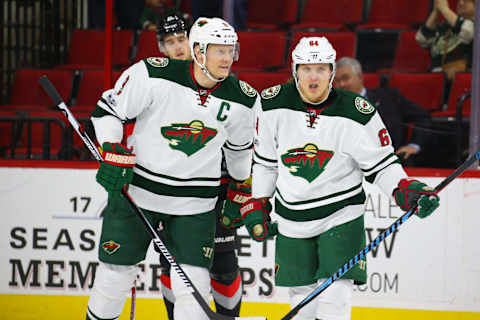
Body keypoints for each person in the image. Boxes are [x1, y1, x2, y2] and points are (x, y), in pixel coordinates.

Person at [238, 37, 440, 320]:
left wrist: (406, 190)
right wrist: (259, 201)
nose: (313, 76)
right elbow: (265, 162)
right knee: (302, 306)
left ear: (331, 72)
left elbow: (382, 165)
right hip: (291, 220)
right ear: (294, 70)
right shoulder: (272, 104)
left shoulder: (357, 111)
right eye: (306, 68)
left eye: (321, 69)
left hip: (341, 216)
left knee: (334, 301)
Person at [85, 17, 258, 320]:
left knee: (194, 287)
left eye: (231, 50)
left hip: (196, 205)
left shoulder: (243, 99)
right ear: (199, 51)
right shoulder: (151, 74)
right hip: (138, 193)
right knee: (114, 277)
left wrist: (240, 187)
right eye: (220, 50)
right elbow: (107, 111)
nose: (228, 58)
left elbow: (239, 151)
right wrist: (111, 148)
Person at [151, 13, 247, 319]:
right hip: (168, 191)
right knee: (170, 263)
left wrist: (241, 188)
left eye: (182, 39)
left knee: (223, 264)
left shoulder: (222, 82)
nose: (178, 48)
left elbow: (245, 144)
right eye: (170, 42)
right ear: (161, 48)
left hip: (216, 191)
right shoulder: (155, 85)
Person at [334, 57, 433, 166]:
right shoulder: (330, 109)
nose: (341, 84)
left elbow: (422, 117)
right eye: (337, 81)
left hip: (391, 163)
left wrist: (414, 145)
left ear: (360, 77)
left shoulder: (389, 98)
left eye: (345, 78)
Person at [416, 0, 475, 80]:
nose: (461, 3)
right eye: (460, 0)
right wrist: (436, 11)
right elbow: (422, 39)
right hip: (434, 78)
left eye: (466, 1)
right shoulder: (447, 25)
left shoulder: (475, 26)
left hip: (457, 81)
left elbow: (468, 32)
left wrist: (444, 9)